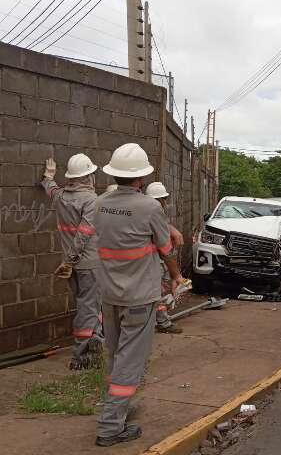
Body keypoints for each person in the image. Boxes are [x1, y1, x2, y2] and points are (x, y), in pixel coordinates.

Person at [93, 143, 182, 447]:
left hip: (108, 294)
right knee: (130, 361)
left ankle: (120, 407)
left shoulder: (100, 203)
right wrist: (175, 276)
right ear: (141, 178)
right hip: (139, 298)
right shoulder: (149, 207)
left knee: (116, 354)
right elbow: (166, 248)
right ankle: (110, 426)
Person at [40, 154, 103, 370]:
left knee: (88, 305)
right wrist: (70, 260)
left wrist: (48, 177)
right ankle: (81, 357)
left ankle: (96, 344)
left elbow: (52, 190)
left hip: (72, 266)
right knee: (88, 308)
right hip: (86, 264)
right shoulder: (91, 201)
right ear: (88, 177)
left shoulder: (61, 197)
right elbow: (83, 236)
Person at [145, 181, 184, 334]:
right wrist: (176, 274)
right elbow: (165, 247)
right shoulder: (154, 212)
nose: (165, 203)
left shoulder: (145, 212)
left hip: (147, 261)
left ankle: (161, 320)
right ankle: (163, 322)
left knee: (159, 291)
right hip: (152, 261)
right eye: (163, 199)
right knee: (159, 292)